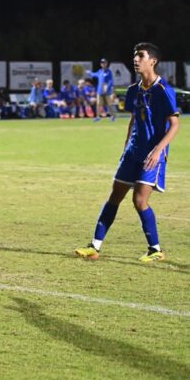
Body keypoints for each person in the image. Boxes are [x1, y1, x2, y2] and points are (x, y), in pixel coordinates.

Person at [75, 43, 180, 262]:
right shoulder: (134, 90)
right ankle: (95, 246)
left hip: (152, 154)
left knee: (139, 200)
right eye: (134, 56)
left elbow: (175, 125)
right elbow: (134, 119)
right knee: (115, 195)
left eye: (140, 56)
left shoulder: (163, 90)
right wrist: (125, 147)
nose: (136, 59)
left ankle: (155, 249)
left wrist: (158, 150)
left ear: (153, 61)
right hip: (133, 152)